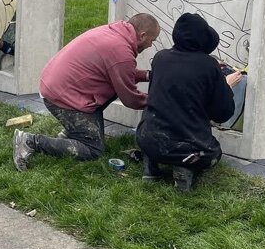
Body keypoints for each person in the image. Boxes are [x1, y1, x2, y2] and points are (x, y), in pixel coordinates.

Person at [12, 13, 160, 171]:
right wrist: (161, 102)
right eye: (152, 40)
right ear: (143, 35)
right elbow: (131, 99)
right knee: (93, 149)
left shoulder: (115, 33)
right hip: (63, 98)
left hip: (59, 86)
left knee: (93, 131)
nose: (151, 45)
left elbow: (122, 71)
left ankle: (73, 132)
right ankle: (30, 141)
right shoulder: (121, 52)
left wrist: (148, 75)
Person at [136, 13, 240, 192]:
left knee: (154, 114)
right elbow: (222, 112)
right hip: (187, 147)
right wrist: (226, 86)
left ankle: (151, 165)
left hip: (148, 140)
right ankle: (185, 167)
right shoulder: (208, 65)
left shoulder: (161, 58)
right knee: (213, 153)